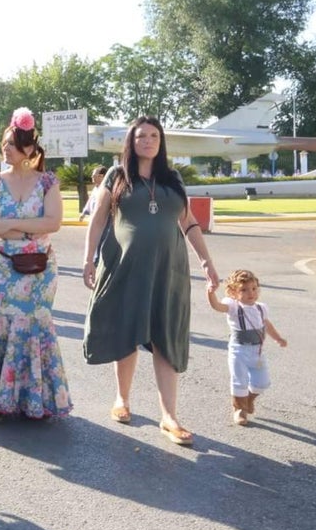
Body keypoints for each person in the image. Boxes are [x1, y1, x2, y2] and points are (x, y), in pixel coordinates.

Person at [82, 116, 220, 446]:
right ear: (131, 141)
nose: (148, 140)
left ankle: (169, 416)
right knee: (128, 332)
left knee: (165, 337)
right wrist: (88, 259)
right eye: (141, 135)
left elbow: (189, 223)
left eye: (154, 135)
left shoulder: (172, 179)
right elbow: (99, 219)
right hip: (126, 268)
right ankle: (122, 398)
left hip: (168, 272)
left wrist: (207, 262)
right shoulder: (117, 176)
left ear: (161, 141)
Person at [0, 107, 72, 420]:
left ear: (28, 149)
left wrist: (10, 224)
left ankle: (33, 399)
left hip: (38, 268)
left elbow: (54, 222)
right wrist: (28, 226)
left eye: (10, 144)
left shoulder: (48, 180)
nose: (4, 150)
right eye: (4, 145)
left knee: (34, 324)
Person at [207, 270, 287, 425]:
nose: (251, 293)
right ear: (233, 292)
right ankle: (240, 410)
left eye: (254, 288)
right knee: (239, 381)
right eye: (244, 290)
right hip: (239, 350)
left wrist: (278, 338)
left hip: (257, 351)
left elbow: (266, 324)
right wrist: (210, 293)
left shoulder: (261, 308)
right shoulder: (233, 307)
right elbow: (216, 306)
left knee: (262, 383)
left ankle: (249, 399)